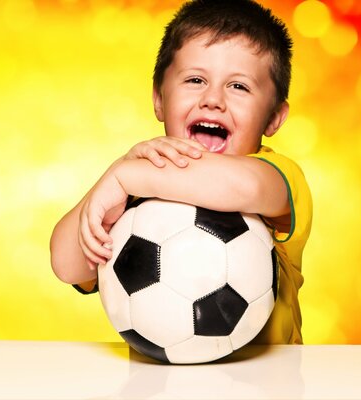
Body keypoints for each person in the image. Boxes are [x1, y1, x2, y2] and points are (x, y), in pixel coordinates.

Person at [49, 0, 312, 344]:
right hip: (159, 386)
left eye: (239, 86)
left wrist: (125, 177)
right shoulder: (140, 186)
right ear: (159, 98)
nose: (213, 99)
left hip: (267, 390)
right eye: (195, 79)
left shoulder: (278, 176)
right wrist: (117, 175)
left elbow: (239, 186)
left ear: (274, 117)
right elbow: (66, 264)